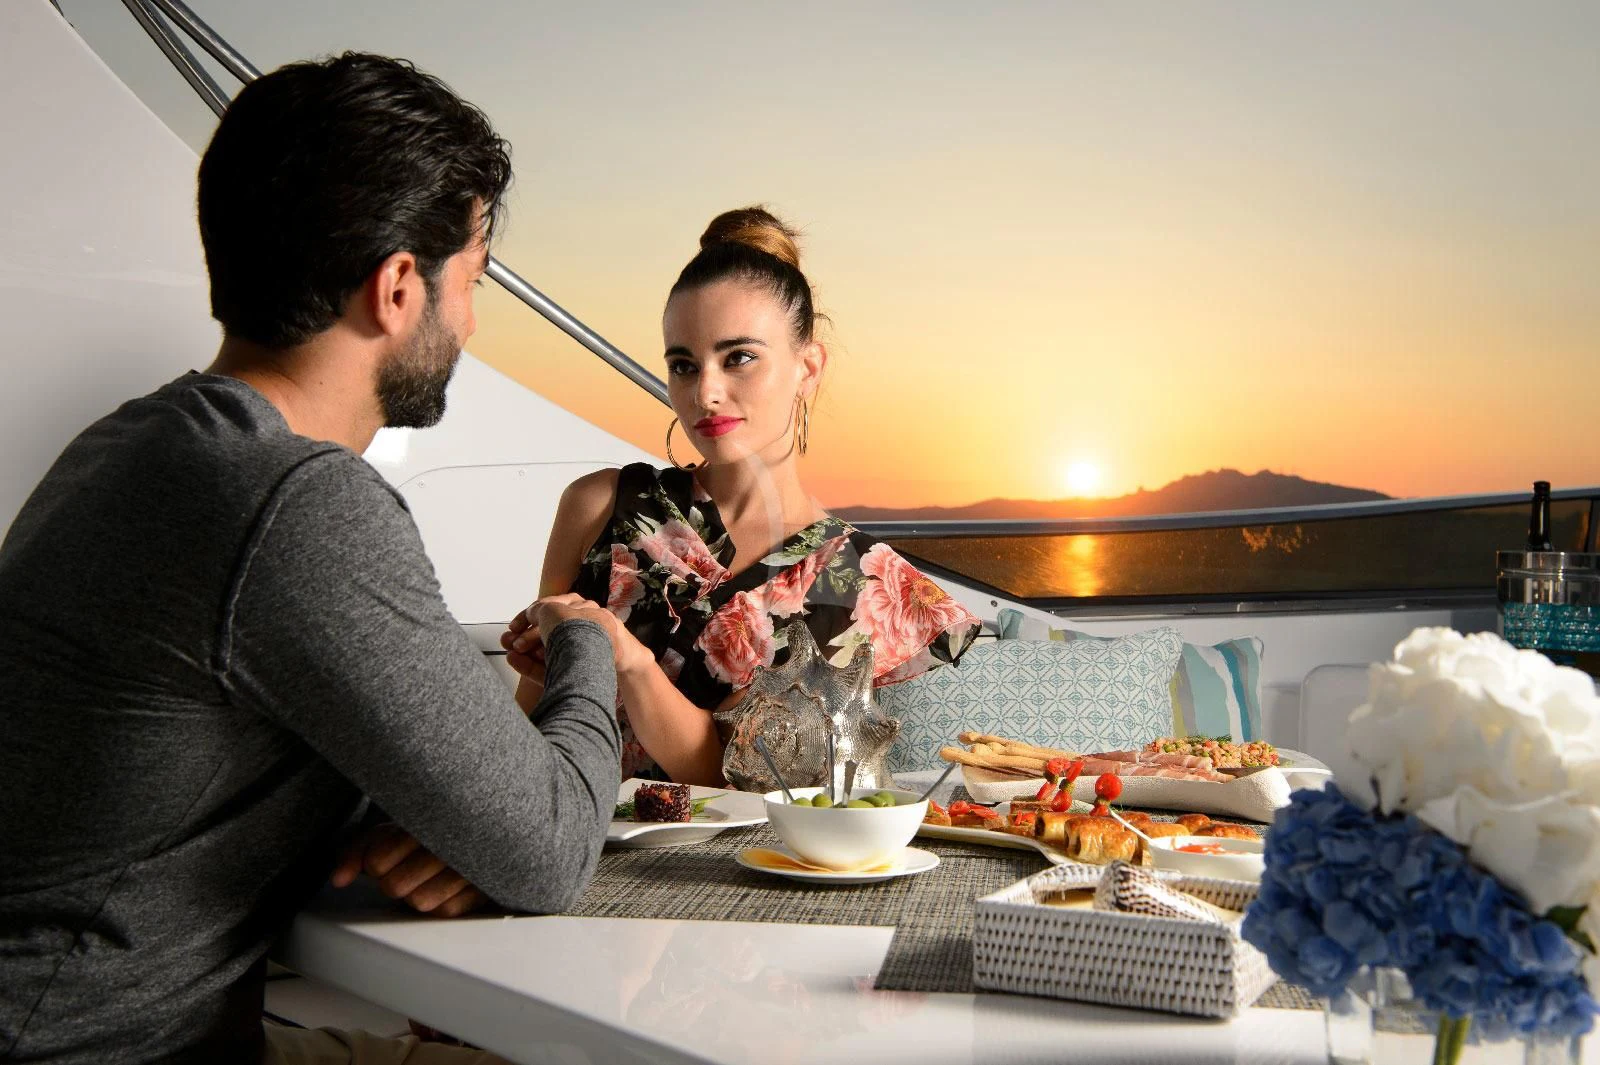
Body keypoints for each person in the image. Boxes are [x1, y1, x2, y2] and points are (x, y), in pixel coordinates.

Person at [0, 53, 627, 1065]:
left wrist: (466, 827)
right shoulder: (297, 503)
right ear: (394, 289)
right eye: (468, 284)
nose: (468, 323)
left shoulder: (134, 446)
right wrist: (587, 637)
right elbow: (551, 849)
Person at [502, 207, 980, 786]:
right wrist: (537, 671)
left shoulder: (862, 586)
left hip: (742, 868)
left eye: (739, 358)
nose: (705, 391)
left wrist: (629, 662)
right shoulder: (599, 506)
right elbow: (533, 733)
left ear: (808, 367)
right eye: (683, 364)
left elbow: (740, 778)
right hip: (581, 845)